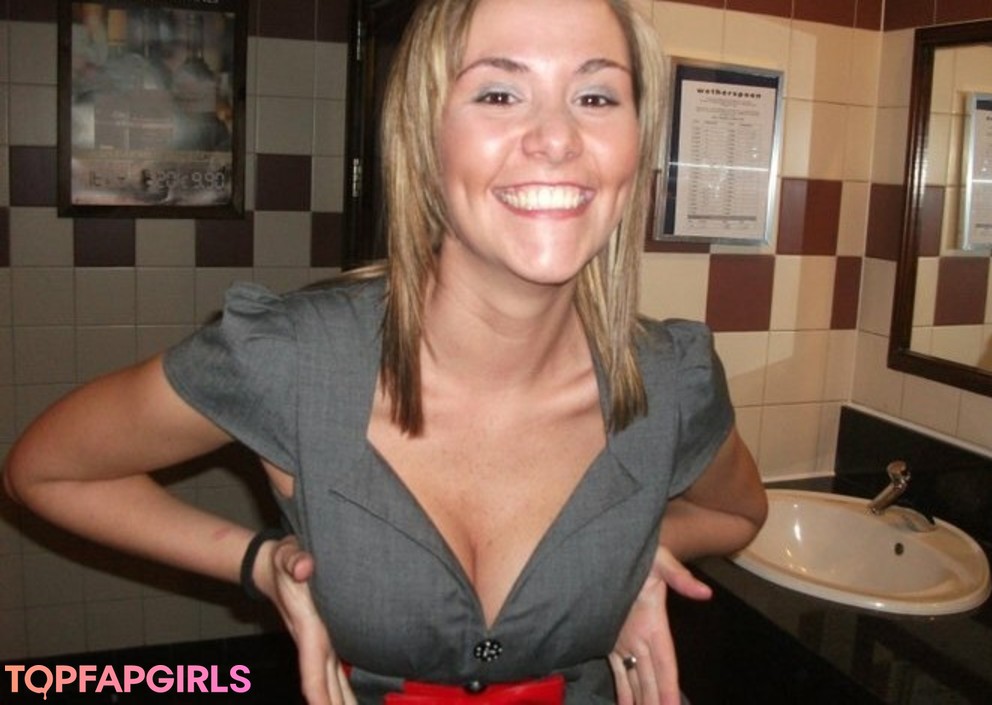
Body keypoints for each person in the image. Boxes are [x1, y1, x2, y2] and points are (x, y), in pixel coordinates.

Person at [3, 0, 767, 702]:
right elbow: (47, 469)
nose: (558, 137)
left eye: (596, 97)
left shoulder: (671, 380)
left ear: (638, 141)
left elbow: (737, 512)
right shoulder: (293, 360)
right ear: (423, 135)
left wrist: (628, 554)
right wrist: (258, 562)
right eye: (499, 93)